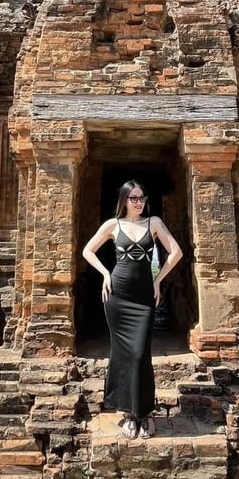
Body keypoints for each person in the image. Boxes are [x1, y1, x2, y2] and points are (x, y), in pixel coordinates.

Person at [82, 180, 183, 440]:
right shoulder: (113, 225)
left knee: (140, 354)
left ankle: (145, 412)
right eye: (133, 198)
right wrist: (105, 274)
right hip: (117, 297)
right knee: (122, 354)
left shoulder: (154, 223)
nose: (139, 202)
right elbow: (88, 251)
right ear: (125, 200)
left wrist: (158, 279)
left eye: (142, 198)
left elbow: (176, 253)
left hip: (143, 298)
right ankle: (129, 413)